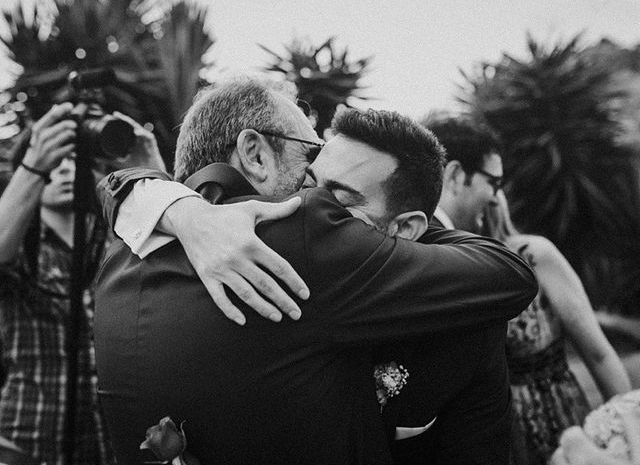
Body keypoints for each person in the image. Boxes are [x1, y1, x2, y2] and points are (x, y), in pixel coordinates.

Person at [94, 77, 537, 464]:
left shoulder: (119, 260)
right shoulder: (305, 238)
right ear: (255, 154)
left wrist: (151, 194)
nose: (316, 194)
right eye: (311, 159)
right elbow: (508, 274)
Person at [0, 103, 167, 465]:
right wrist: (33, 164)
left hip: (111, 445)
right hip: (28, 442)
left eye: (76, 161)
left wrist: (150, 170)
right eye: (55, 161)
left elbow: (173, 264)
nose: (65, 171)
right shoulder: (20, 246)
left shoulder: (117, 239)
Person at [483, 190, 632, 465]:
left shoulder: (535, 256)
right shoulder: (456, 271)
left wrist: (624, 432)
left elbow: (598, 354)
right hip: (499, 435)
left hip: (557, 417)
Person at [425, 117, 503, 233]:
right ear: (455, 176)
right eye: (493, 183)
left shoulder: (404, 235)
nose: (495, 200)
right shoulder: (443, 246)